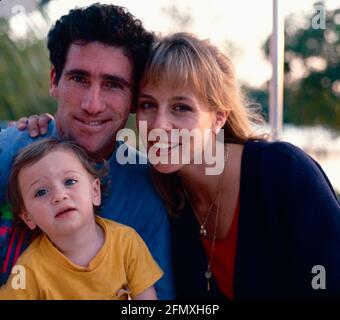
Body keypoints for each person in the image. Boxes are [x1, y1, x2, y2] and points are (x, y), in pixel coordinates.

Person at [134, 33, 340, 299]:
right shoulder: (165, 199)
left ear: (219, 118)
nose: (159, 125)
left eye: (181, 108)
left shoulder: (283, 173)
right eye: (148, 104)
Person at [0, 4, 174, 299]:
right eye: (79, 79)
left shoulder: (149, 192)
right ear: (54, 80)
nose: (92, 104)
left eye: (113, 84)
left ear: (133, 99)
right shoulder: (8, 153)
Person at [0, 138, 162, 299]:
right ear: (28, 217)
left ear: (95, 192)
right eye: (41, 192)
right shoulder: (28, 269)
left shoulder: (127, 242)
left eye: (70, 181)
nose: (59, 196)